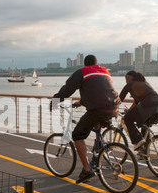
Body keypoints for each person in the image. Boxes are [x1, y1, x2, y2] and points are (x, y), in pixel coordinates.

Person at [51, 55, 121, 184]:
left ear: (85, 64)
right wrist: (82, 102)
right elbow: (100, 92)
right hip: (114, 106)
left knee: (77, 134)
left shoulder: (83, 72)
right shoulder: (105, 71)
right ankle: (98, 148)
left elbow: (68, 89)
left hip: (98, 109)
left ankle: (87, 169)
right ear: (96, 63)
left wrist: (55, 101)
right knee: (95, 121)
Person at [119, 71, 158, 150]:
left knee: (127, 118)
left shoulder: (130, 85)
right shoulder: (144, 83)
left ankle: (138, 140)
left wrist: (111, 109)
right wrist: (129, 110)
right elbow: (136, 102)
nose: (126, 82)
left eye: (125, 80)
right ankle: (144, 151)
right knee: (145, 124)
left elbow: (119, 100)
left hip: (149, 106)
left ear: (128, 79)